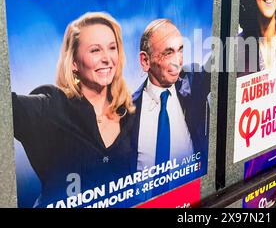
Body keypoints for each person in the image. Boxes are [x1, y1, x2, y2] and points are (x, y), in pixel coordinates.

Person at [11, 12, 136, 208]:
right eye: (95, 50)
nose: (107, 58)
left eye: (112, 48)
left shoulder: (129, 112)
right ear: (74, 63)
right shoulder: (51, 107)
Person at [132, 19, 210, 199]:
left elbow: (229, 52)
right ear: (145, 61)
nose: (178, 61)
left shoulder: (194, 84)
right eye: (168, 53)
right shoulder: (126, 112)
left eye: (180, 50)